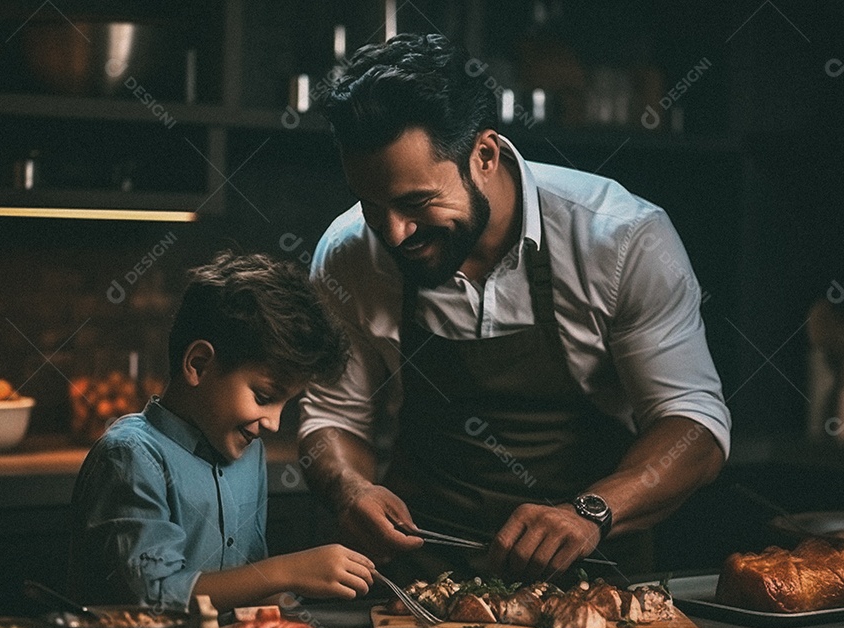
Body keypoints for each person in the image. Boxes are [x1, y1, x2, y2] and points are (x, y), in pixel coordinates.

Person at [298, 34, 731, 581]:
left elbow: (694, 427)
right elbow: (332, 417)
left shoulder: (621, 240)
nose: (392, 231)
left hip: (596, 583)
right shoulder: (349, 253)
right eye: (371, 204)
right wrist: (350, 490)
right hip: (422, 588)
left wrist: (590, 513)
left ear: (484, 154)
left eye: (416, 203)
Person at [68, 251, 374, 611]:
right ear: (199, 365)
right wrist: (287, 571)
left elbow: (244, 586)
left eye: (284, 404)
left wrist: (291, 592)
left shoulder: (248, 452)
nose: (274, 423)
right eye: (263, 396)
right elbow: (150, 597)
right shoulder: (131, 456)